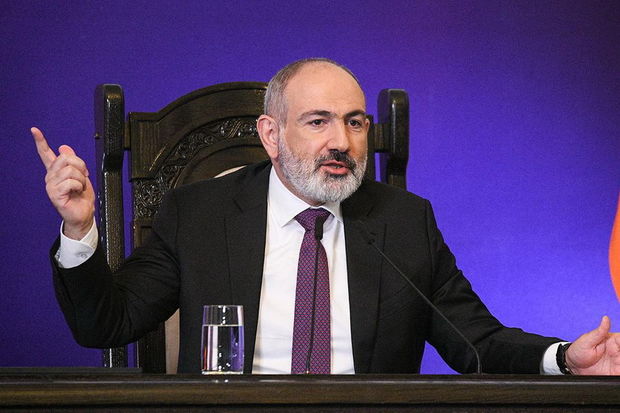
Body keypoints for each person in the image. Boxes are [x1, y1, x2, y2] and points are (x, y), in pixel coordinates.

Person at [32, 58, 620, 375]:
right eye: (318, 121)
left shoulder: (405, 221)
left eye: (354, 122)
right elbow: (106, 325)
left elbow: (477, 343)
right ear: (271, 134)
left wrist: (566, 359)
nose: (341, 141)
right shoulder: (200, 213)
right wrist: (79, 229)